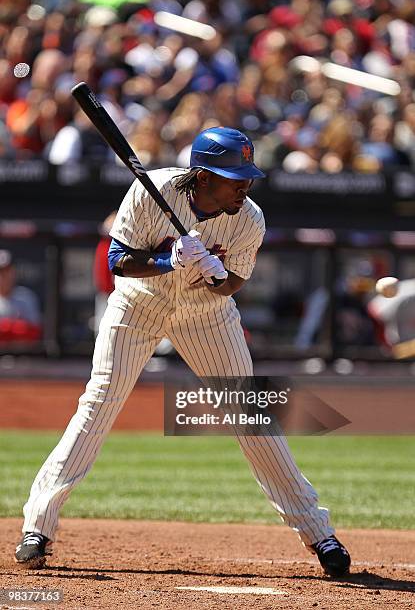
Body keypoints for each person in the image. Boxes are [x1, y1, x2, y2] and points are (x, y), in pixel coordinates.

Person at [15, 127, 350, 577]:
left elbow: (234, 283)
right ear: (204, 176)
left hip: (206, 315)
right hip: (139, 304)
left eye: (246, 176)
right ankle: (38, 527)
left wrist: (217, 275)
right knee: (99, 403)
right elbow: (118, 259)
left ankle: (318, 532)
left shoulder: (248, 218)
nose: (244, 186)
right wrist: (167, 260)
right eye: (234, 177)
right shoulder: (151, 189)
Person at [0, 249, 42, 344]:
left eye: (6, 271)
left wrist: (8, 327)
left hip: (22, 355)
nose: (2, 276)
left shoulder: (26, 296)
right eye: (0, 272)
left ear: (13, 272)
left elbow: (35, 331)